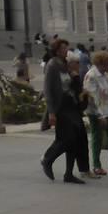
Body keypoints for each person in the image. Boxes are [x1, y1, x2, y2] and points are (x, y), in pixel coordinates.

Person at [41, 40, 88, 184]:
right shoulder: (52, 65)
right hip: (61, 107)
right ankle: (48, 159)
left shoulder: (65, 65)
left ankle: (69, 173)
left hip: (72, 106)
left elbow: (74, 86)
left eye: (66, 47)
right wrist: (51, 112)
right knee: (66, 139)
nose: (66, 50)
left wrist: (75, 76)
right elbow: (48, 90)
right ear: (56, 50)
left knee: (76, 139)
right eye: (63, 48)